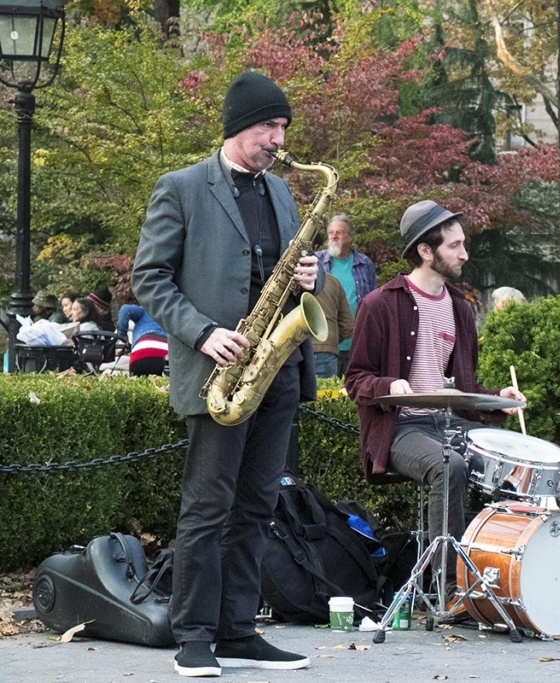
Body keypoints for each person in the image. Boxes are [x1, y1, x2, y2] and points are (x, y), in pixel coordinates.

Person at [132, 71, 322, 677]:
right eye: (270, 125)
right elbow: (150, 278)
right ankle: (193, 635)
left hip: (276, 369)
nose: (278, 137)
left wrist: (307, 281)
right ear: (239, 127)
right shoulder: (182, 187)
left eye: (283, 126)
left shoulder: (284, 193)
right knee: (207, 509)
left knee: (257, 507)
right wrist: (203, 332)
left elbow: (285, 268)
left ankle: (239, 630)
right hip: (220, 369)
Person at [344, 200, 525, 583]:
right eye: (454, 246)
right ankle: (449, 584)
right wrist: (387, 384)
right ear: (426, 251)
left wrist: (498, 400)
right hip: (401, 429)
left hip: (448, 423)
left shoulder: (461, 308)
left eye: (463, 244)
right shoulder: (378, 305)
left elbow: (465, 388)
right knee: (450, 466)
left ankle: (508, 579)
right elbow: (355, 378)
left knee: (515, 460)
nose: (464, 253)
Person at [315, 215, 377, 375]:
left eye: (339, 233)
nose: (334, 236)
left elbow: (373, 303)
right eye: (331, 233)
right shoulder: (317, 262)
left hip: (357, 342)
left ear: (350, 237)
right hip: (325, 344)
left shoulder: (364, 263)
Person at [312, 272, 354, 378]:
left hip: (290, 354)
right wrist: (330, 340)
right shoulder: (332, 281)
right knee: (325, 393)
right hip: (326, 352)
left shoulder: (284, 281)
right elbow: (348, 325)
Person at [116, 303, 169, 376]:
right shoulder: (172, 312)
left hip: (140, 353)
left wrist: (123, 336)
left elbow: (125, 310)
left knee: (138, 384)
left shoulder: (143, 311)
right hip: (164, 354)